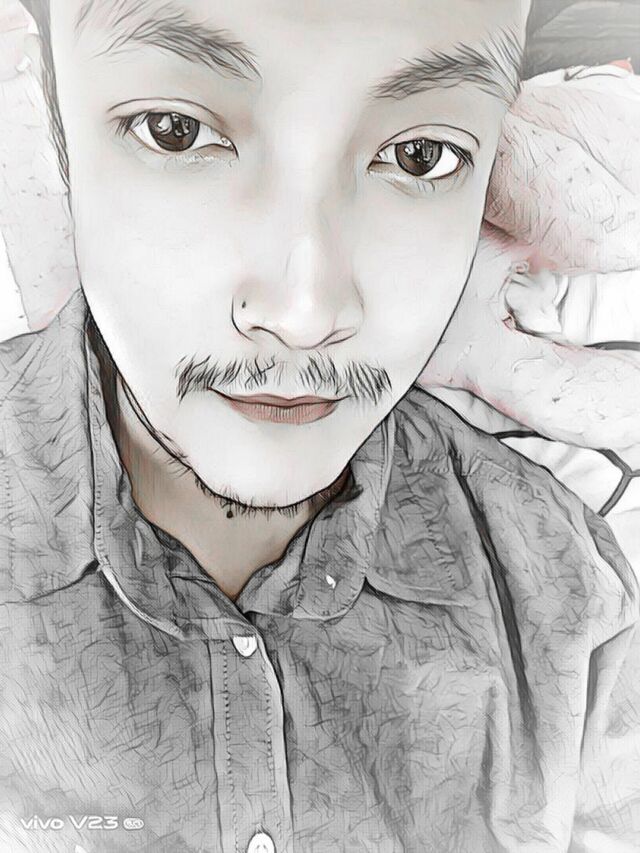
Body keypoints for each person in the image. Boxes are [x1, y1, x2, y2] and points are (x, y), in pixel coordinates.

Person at [0, 1, 638, 851]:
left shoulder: (569, 603)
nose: (304, 314)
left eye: (421, 155)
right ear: (50, 115)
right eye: (175, 133)